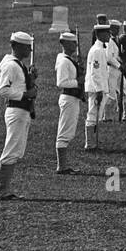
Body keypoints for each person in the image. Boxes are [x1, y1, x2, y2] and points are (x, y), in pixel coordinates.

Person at [0, 31, 37, 200]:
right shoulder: (11, 65)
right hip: (17, 110)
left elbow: (21, 85)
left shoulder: (18, 64)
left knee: (16, 150)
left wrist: (31, 78)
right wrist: (25, 95)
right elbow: (2, 90)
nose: (30, 50)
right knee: (11, 149)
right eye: (27, 47)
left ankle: (5, 189)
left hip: (22, 111)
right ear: (17, 46)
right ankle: (2, 190)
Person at [54, 31, 84, 174]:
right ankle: (62, 166)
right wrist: (78, 82)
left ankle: (63, 165)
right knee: (64, 131)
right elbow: (61, 82)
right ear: (64, 44)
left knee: (68, 130)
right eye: (72, 42)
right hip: (68, 98)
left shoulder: (68, 60)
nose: (75, 45)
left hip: (73, 98)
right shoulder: (64, 61)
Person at [84, 23, 111, 150]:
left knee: (96, 115)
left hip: (100, 87)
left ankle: (93, 142)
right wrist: (99, 89)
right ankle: (89, 143)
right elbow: (95, 73)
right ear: (100, 35)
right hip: (96, 88)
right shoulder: (97, 51)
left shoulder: (101, 49)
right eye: (107, 33)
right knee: (93, 114)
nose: (109, 36)